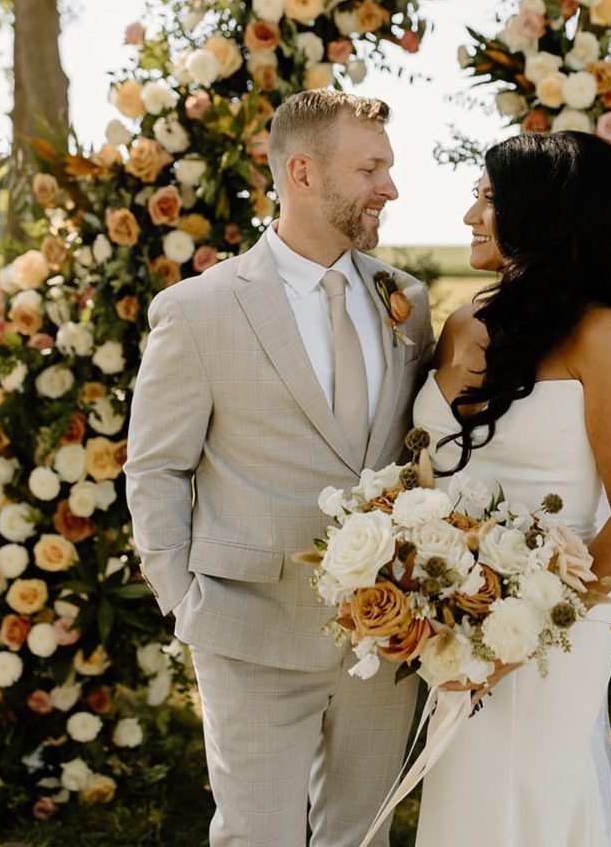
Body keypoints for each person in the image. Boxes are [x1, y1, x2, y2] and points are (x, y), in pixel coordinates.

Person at [124, 89, 435, 847]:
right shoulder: (199, 310)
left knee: (362, 834)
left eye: (387, 168)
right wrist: (184, 602)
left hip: (382, 639)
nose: (389, 187)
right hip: (247, 630)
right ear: (302, 171)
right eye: (370, 169)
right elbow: (155, 468)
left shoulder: (407, 301)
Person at [413, 130, 611, 847]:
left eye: (487, 199)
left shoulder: (605, 339)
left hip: (551, 637)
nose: (468, 217)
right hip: (449, 624)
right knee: (464, 808)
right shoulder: (462, 324)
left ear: (540, 211)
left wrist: (516, 639)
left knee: (528, 805)